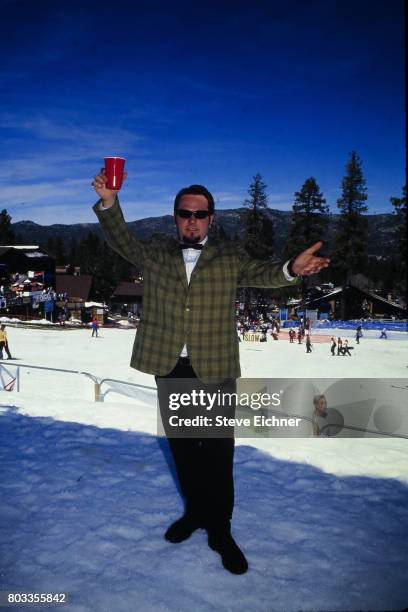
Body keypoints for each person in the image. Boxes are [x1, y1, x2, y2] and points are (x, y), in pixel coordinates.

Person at [92, 169, 330, 575]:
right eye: (184, 213)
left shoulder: (229, 257)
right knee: (184, 448)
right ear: (175, 218)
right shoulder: (156, 252)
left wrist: (292, 267)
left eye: (199, 215)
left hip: (215, 364)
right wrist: (111, 202)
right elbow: (121, 240)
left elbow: (267, 274)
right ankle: (194, 514)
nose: (191, 221)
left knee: (218, 453)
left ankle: (220, 530)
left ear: (211, 219)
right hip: (169, 364)